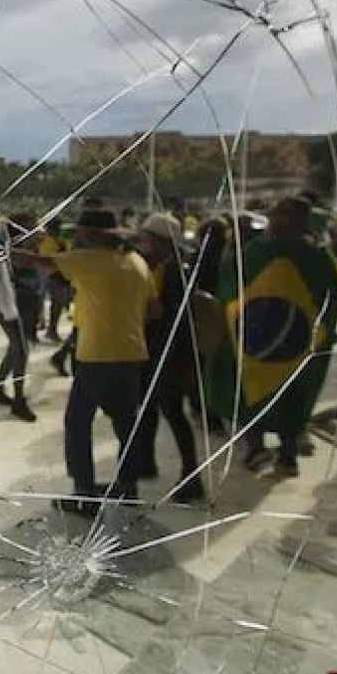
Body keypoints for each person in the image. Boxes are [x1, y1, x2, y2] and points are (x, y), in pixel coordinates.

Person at [18, 207, 157, 509]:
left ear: (92, 234)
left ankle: (84, 494)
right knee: (126, 424)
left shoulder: (87, 260)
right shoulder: (136, 262)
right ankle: (127, 487)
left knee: (78, 422)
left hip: (96, 356)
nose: (78, 236)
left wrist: (7, 247)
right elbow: (154, 309)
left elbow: (34, 262)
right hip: (132, 355)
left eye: (81, 231)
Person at [207, 195, 337, 477]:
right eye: (277, 215)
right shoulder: (315, 260)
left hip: (275, 343)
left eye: (285, 216)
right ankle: (273, 451)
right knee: (273, 393)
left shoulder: (313, 261)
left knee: (270, 395)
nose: (279, 221)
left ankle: (279, 451)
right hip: (278, 342)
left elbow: (330, 301)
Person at [131, 215, 204, 502]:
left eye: (147, 238)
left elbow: (174, 319)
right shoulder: (164, 267)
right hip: (158, 351)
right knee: (148, 406)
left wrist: (162, 355)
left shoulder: (176, 272)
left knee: (173, 412)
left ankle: (191, 475)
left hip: (170, 354)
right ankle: (145, 461)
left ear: (160, 241)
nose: (142, 243)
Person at [0, 222, 36, 422]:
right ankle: (19, 401)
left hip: (9, 304)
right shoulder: (0, 252)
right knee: (21, 350)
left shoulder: (11, 252)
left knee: (16, 348)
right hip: (5, 305)